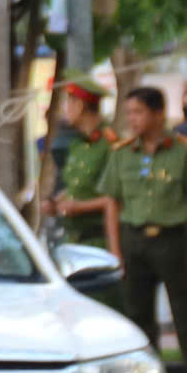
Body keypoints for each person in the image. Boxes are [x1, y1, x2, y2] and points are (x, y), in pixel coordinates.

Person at [101, 85, 187, 373]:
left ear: (159, 114)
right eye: (130, 113)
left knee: (184, 315)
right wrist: (115, 249)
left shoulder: (183, 151)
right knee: (139, 317)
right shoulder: (121, 152)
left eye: (139, 112)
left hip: (172, 239)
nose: (132, 119)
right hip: (133, 240)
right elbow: (112, 202)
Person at [45, 74, 122, 254]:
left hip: (101, 241)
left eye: (69, 103)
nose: (65, 109)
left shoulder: (110, 145)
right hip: (72, 238)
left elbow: (117, 198)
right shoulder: (77, 144)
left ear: (80, 106)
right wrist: (56, 202)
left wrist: (78, 207)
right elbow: (78, 187)